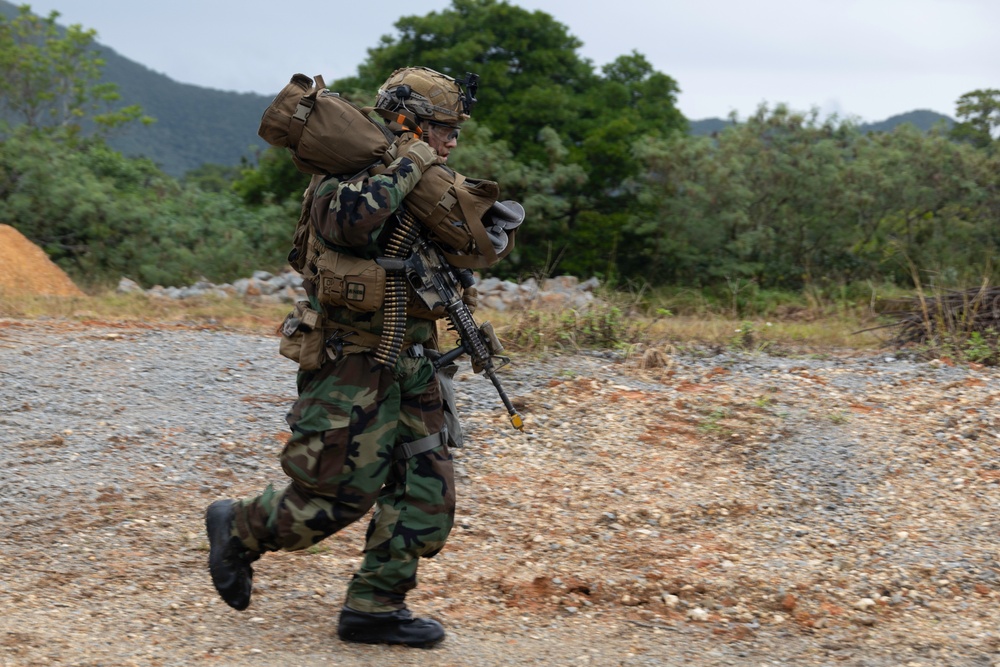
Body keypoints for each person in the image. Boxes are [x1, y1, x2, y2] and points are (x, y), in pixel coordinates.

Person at [205, 67, 483, 649]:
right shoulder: (340, 180)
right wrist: (411, 163)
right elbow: (354, 223)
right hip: (351, 362)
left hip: (412, 359)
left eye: (454, 130)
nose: (451, 140)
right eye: (441, 128)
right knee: (338, 494)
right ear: (407, 122)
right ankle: (241, 527)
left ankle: (375, 608)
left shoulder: (429, 182)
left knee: (427, 489)